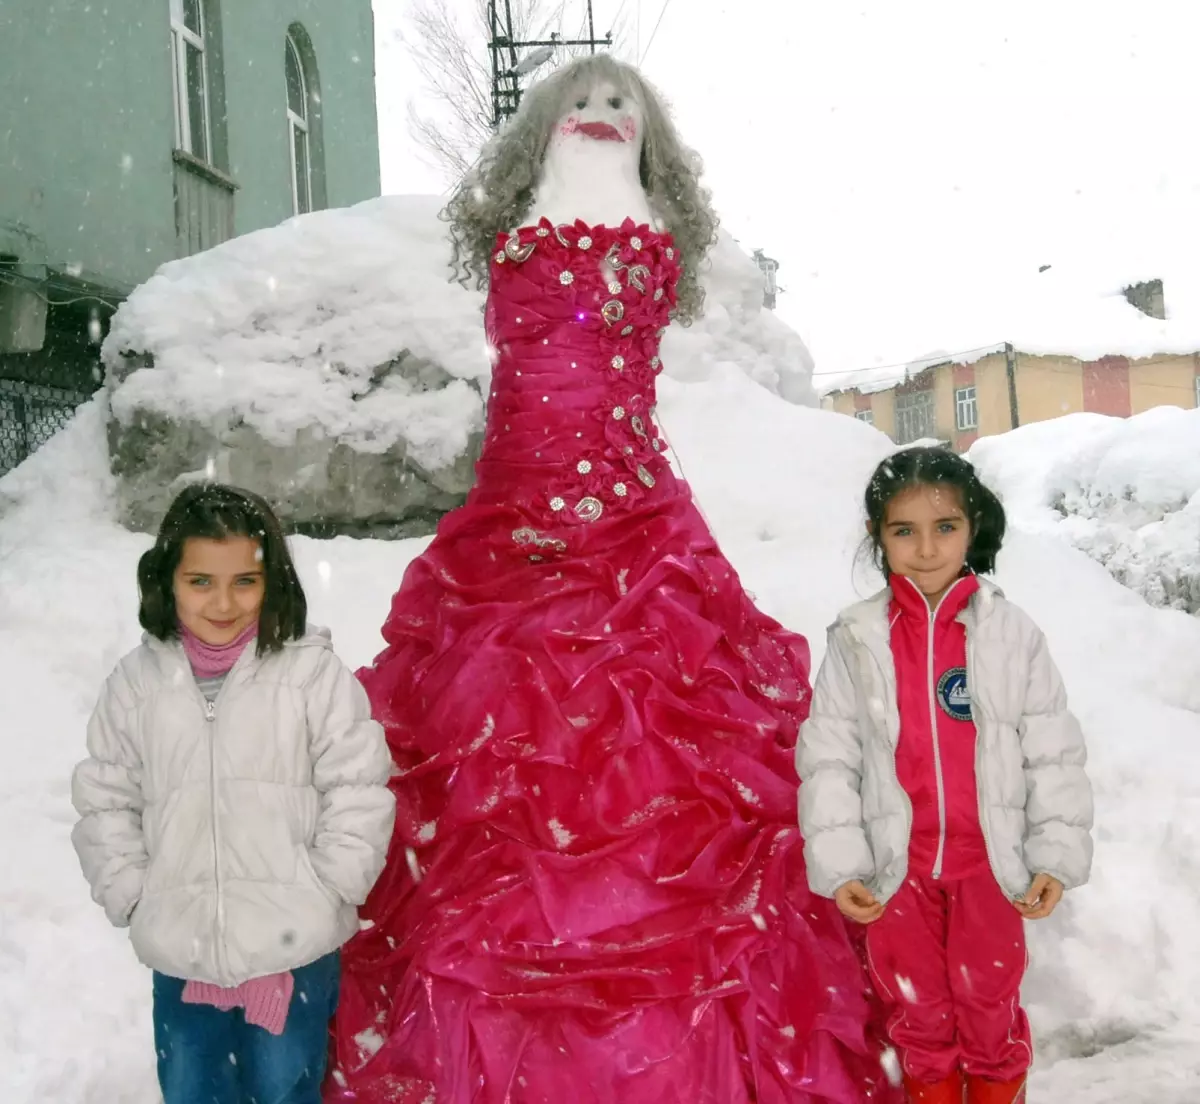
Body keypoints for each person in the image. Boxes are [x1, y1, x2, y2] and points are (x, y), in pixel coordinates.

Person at [328, 54, 900, 1104]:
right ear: (545, 127)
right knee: (489, 753)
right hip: (512, 512)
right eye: (581, 103)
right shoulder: (527, 234)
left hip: (626, 515)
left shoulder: (640, 243)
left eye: (618, 106)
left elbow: (601, 346)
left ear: (650, 140)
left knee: (656, 748)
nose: (598, 116)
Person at [70, 483, 395, 1104]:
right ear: (167, 582)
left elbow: (357, 786)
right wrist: (136, 896)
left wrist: (327, 887)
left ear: (273, 582)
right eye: (200, 582)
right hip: (183, 955)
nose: (223, 602)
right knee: (193, 1088)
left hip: (292, 953)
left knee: (284, 1088)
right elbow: (105, 798)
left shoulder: (311, 676)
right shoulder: (137, 687)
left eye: (244, 581)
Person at [797, 447, 1094, 1104]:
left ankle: (996, 1092)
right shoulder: (857, 638)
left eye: (945, 527)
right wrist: (846, 861)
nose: (926, 548)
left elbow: (1051, 748)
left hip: (988, 864)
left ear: (973, 529)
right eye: (904, 530)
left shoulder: (1011, 635)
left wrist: (1053, 853)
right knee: (916, 1009)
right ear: (879, 537)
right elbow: (830, 755)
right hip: (896, 870)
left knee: (988, 999)